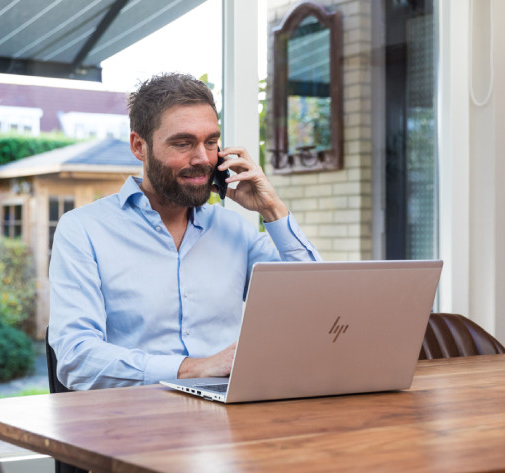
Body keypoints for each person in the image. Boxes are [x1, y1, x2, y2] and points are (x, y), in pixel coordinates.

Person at [48, 72, 321, 391]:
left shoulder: (233, 229)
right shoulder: (84, 230)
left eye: (211, 142)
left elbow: (315, 307)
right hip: (131, 422)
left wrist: (272, 210)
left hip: (231, 420)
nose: (203, 158)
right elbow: (76, 359)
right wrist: (195, 368)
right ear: (140, 146)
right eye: (183, 143)